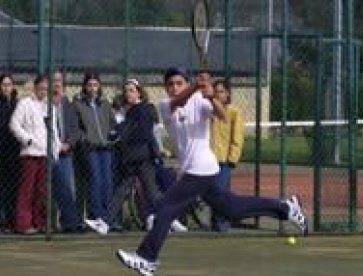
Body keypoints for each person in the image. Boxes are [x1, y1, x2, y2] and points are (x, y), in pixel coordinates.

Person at [115, 67, 308, 275]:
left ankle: (146, 258)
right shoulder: (165, 105)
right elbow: (178, 101)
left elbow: (223, 115)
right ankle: (286, 208)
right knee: (232, 208)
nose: (174, 88)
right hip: (194, 170)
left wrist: (211, 96)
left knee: (165, 210)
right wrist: (195, 87)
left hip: (202, 169)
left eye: (179, 83)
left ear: (185, 83)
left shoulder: (199, 101)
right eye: (170, 84)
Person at [84, 79, 187, 234]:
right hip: (133, 159)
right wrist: (118, 132)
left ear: (139, 92)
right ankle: (105, 222)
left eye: (132, 90)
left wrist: (120, 133)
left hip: (143, 158)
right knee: (124, 190)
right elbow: (130, 128)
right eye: (126, 91)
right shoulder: (131, 111)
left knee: (149, 192)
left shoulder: (144, 109)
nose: (128, 93)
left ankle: (170, 219)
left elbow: (143, 132)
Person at [9, 73, 61, 234]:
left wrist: (55, 149)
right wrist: (28, 140)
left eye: (47, 88)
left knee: (42, 191)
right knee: (27, 190)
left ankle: (39, 222)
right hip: (30, 154)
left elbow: (54, 131)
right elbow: (14, 124)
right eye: (41, 88)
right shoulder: (25, 104)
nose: (44, 91)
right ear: (36, 87)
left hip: (45, 155)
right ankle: (23, 224)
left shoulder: (50, 107)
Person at [73, 71, 116, 222]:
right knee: (95, 179)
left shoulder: (104, 104)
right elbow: (76, 127)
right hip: (90, 148)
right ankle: (96, 214)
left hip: (106, 147)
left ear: (99, 86)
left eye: (95, 85)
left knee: (107, 180)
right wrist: (85, 139)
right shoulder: (78, 104)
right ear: (85, 86)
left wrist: (111, 135)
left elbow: (112, 122)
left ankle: (108, 215)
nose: (92, 88)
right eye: (89, 85)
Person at [209, 79, 245, 232]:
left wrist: (232, 159)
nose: (218, 95)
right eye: (215, 92)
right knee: (212, 191)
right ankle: (217, 221)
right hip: (208, 160)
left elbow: (237, 137)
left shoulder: (234, 112)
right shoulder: (209, 111)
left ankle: (222, 222)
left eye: (221, 91)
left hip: (224, 160)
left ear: (227, 93)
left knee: (220, 189)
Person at [51, 70, 84, 233]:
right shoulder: (44, 103)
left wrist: (68, 144)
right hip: (49, 153)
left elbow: (75, 129)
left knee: (68, 188)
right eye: (54, 80)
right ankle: (49, 223)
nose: (57, 83)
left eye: (59, 80)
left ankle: (69, 223)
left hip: (66, 153)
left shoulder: (68, 105)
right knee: (49, 190)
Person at [0, 73, 21, 233]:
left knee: (14, 187)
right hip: (2, 150)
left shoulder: (17, 104)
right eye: (4, 84)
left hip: (15, 152)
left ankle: (12, 219)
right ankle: (3, 220)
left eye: (9, 84)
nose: (7, 87)